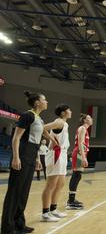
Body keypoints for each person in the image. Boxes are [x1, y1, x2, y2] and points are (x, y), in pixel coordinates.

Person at [1, 91, 58, 234]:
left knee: (24, 192)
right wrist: (15, 157)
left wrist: (37, 158)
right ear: (37, 102)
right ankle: (7, 227)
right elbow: (16, 138)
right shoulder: (27, 115)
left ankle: (19, 223)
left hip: (32, 154)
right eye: (44, 100)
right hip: (23, 153)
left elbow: (37, 140)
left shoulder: (39, 119)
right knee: (15, 191)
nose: (47, 102)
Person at [41, 104, 72, 222]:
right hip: (56, 154)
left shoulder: (65, 124)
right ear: (63, 113)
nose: (71, 111)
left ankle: (53, 209)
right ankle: (45, 213)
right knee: (51, 185)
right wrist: (51, 139)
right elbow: (42, 127)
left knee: (60, 184)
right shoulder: (59, 122)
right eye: (69, 110)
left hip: (63, 154)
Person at [66, 114, 93, 210]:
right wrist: (83, 157)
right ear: (85, 120)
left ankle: (72, 199)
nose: (91, 119)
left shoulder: (84, 129)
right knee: (76, 175)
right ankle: (70, 201)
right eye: (89, 118)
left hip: (80, 152)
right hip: (79, 152)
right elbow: (80, 143)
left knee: (77, 175)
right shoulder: (82, 128)